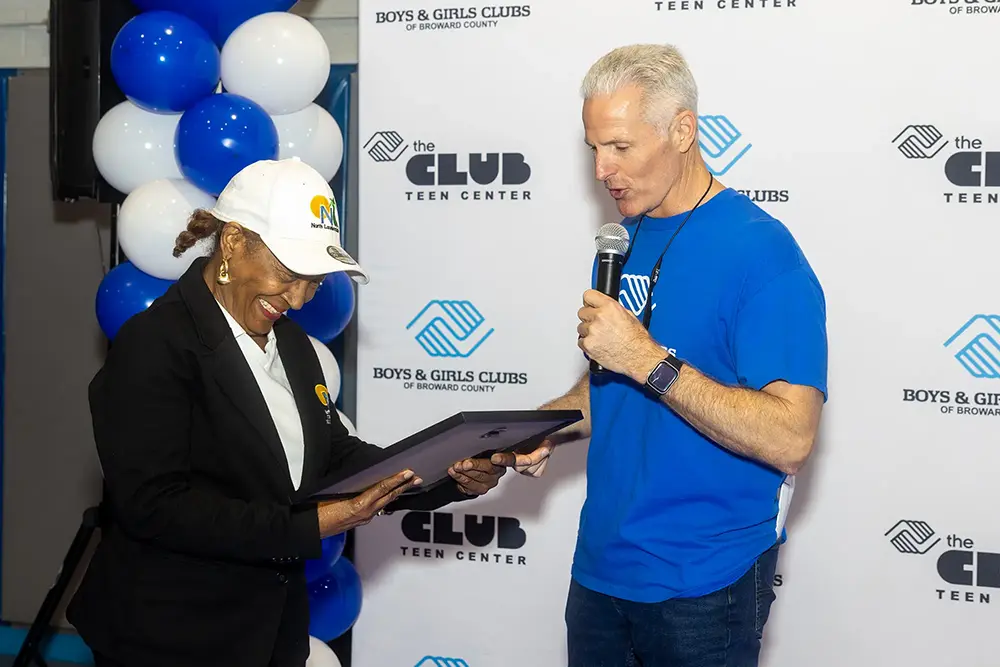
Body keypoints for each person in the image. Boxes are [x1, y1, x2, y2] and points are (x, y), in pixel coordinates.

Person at [66, 158, 508, 667]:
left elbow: (333, 455)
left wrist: (448, 474)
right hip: (169, 637)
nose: (298, 298)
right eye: (288, 274)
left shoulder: (292, 344)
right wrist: (314, 525)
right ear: (234, 242)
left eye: (314, 281)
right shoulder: (154, 345)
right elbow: (154, 506)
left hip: (269, 633)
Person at [492, 44, 828, 666]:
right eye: (594, 148)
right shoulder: (623, 239)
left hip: (704, 583)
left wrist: (648, 359)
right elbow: (611, 387)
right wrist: (542, 427)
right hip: (600, 571)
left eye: (620, 147)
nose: (602, 169)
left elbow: (790, 438)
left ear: (682, 131)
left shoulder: (761, 252)